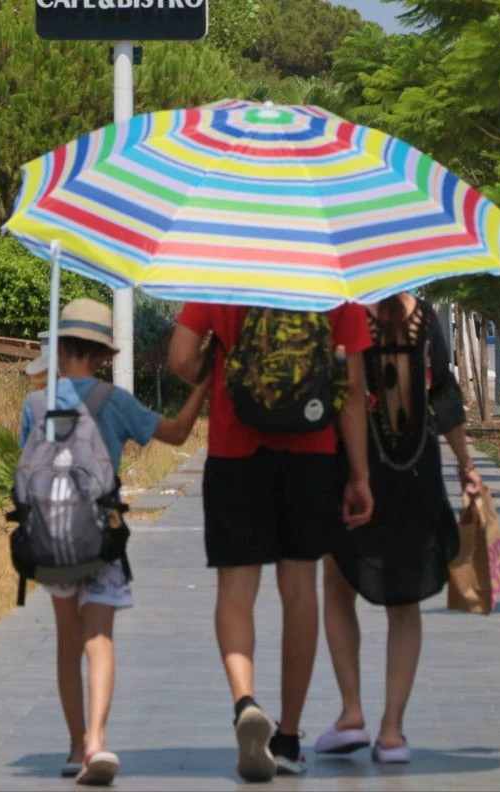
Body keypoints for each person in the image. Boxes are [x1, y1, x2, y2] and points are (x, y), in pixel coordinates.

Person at [168, 303, 373, 781]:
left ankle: (245, 703)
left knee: (236, 589)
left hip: (235, 451)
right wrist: (359, 474)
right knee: (299, 589)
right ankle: (287, 738)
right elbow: (355, 388)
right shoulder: (336, 281)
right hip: (311, 452)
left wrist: (217, 369)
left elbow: (180, 357)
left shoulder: (226, 267)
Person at [19, 298, 210, 786]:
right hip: (101, 538)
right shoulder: (115, 401)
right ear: (105, 355)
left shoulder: (36, 404)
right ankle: (95, 744)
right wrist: (207, 382)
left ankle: (71, 744)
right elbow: (179, 433)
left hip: (51, 539)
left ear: (60, 349)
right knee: (98, 638)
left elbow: (29, 475)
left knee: (66, 642)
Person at [313, 291, 483, 764]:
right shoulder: (425, 316)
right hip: (415, 469)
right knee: (405, 602)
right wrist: (467, 464)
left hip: (353, 467)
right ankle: (392, 733)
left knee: (338, 583)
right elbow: (442, 393)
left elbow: (333, 392)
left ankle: (351, 713)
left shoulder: (341, 315)